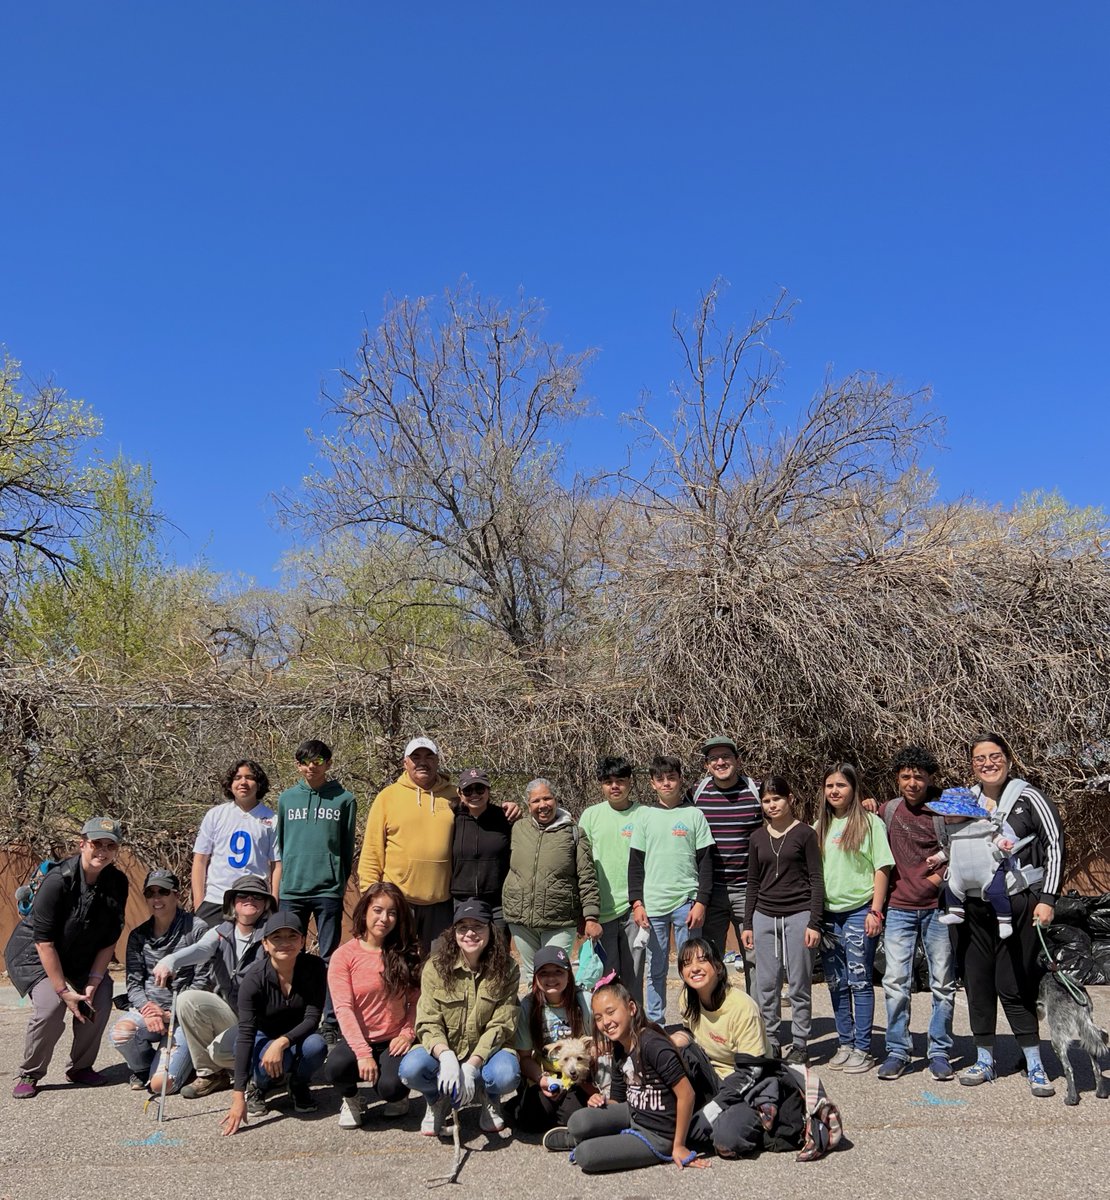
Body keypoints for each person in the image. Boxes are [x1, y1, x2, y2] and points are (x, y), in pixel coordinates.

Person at [953, 732, 1065, 1098]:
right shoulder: (964, 800)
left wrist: (1047, 898)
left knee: (1014, 984)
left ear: (1008, 759)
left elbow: (1054, 845)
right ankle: (984, 1059)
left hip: (1018, 906)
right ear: (972, 765)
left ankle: (1034, 1062)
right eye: (980, 758)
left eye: (994, 756)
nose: (988, 763)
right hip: (973, 909)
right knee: (977, 983)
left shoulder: (1029, 798)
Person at [5, 816, 129, 1099]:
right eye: (97, 843)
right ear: (82, 844)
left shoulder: (117, 882)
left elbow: (110, 938)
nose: (103, 851)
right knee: (51, 1007)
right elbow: (44, 942)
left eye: (110, 846)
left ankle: (80, 1067)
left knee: (100, 997)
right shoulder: (58, 880)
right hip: (36, 954)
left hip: (81, 956)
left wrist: (94, 980)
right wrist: (63, 991)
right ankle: (30, 1072)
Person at [555, 977, 709, 1172]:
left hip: (659, 1133)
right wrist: (601, 1101)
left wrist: (679, 1145)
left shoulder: (653, 1045)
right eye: (598, 1017)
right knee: (578, 1122)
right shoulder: (619, 1047)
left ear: (631, 1008)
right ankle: (583, 1137)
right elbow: (617, 1099)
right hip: (634, 1112)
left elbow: (687, 1094)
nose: (605, 1022)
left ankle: (582, 1142)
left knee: (585, 1155)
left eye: (611, 1012)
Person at [398, 900, 521, 1136]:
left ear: (491, 929)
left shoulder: (507, 968)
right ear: (453, 932)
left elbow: (502, 1024)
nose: (470, 933)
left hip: (488, 1053)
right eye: (463, 927)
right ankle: (437, 1098)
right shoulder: (435, 967)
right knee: (411, 1069)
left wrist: (473, 1065)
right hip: (446, 1047)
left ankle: (489, 1096)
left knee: (506, 1075)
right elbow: (428, 1020)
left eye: (478, 926)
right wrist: (445, 1056)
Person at [152, 873, 276, 1099]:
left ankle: (270, 1069)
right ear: (232, 903)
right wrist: (170, 960)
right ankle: (211, 1074)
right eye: (242, 895)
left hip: (262, 1018)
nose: (250, 899)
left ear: (266, 903)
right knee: (187, 1000)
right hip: (232, 1010)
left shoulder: (273, 933)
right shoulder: (220, 932)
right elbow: (200, 949)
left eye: (257, 896)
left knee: (221, 1051)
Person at [875, 745, 957, 1083]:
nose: (912, 783)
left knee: (943, 984)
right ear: (897, 778)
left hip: (938, 909)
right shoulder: (889, 810)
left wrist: (937, 881)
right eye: (906, 776)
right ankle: (898, 1050)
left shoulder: (944, 812)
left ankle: (939, 1051)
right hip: (898, 908)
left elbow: (963, 847)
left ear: (930, 779)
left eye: (919, 777)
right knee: (895, 983)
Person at [272, 738, 357, 1039]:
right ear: (298, 765)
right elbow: (282, 845)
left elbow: (347, 846)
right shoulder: (286, 799)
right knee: (287, 955)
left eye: (318, 761)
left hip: (328, 890)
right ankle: (290, 1019)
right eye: (305, 762)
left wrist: (338, 881)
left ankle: (330, 1022)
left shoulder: (344, 799)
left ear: (328, 763)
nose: (311, 767)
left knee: (330, 958)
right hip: (292, 890)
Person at [674, 938, 789, 1158]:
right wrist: (675, 1041)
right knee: (677, 1055)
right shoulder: (687, 998)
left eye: (702, 960)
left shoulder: (742, 1007)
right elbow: (691, 1035)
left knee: (727, 1141)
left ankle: (762, 1115)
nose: (694, 968)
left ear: (718, 967)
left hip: (749, 1085)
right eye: (687, 964)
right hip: (713, 1077)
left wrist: (712, 1110)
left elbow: (751, 1072)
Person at [816, 763, 894, 1074]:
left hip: (859, 911)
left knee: (860, 980)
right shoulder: (819, 826)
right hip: (828, 915)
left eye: (841, 785)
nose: (834, 791)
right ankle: (844, 1043)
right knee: (836, 982)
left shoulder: (870, 823)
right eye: (829, 786)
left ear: (853, 788)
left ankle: (863, 1048)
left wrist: (876, 910)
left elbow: (882, 867)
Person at [220, 910, 328, 1134]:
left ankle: (297, 1084)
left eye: (292, 936)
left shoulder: (315, 968)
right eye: (277, 937)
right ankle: (258, 1086)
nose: (285, 943)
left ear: (302, 941)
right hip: (262, 1036)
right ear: (265, 944)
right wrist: (238, 1097)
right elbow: (246, 1034)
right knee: (273, 1056)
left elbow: (312, 1018)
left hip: (297, 1036)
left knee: (317, 1046)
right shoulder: (253, 979)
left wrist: (281, 1042)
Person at [326, 882, 421, 1129]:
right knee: (335, 1067)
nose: (384, 918)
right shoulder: (344, 956)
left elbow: (416, 1002)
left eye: (392, 913)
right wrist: (362, 1053)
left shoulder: (406, 953)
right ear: (365, 911)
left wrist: (407, 1034)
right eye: (378, 910)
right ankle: (351, 1099)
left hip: (393, 1040)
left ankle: (398, 1097)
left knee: (391, 1088)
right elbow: (343, 1009)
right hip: (359, 1038)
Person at [741, 777, 823, 1064]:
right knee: (767, 983)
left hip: (798, 914)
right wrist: (748, 923)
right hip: (764, 916)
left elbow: (816, 879)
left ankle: (800, 1042)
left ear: (790, 798)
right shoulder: (757, 837)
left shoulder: (805, 834)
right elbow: (752, 881)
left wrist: (814, 922)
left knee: (799, 982)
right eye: (766, 800)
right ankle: (772, 1040)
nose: (771, 805)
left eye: (776, 798)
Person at [110, 869, 212, 1094]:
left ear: (176, 895)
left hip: (183, 1015)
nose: (156, 898)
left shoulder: (196, 929)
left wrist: (170, 1014)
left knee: (161, 1086)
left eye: (163, 892)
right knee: (121, 1034)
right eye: (150, 893)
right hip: (150, 1013)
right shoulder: (138, 935)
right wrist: (148, 1009)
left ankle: (176, 1065)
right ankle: (144, 1067)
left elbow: (203, 981)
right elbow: (134, 983)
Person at [629, 755, 714, 1023]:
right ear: (652, 783)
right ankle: (656, 1024)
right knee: (656, 968)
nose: (666, 783)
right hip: (653, 906)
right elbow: (635, 864)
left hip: (686, 904)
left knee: (693, 967)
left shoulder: (694, 815)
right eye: (660, 779)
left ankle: (694, 1020)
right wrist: (637, 903)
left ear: (680, 780)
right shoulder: (644, 816)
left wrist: (701, 902)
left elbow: (706, 862)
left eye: (671, 778)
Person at [358, 736, 456, 954]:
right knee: (397, 961)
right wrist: (370, 895)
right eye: (416, 757)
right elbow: (372, 850)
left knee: (438, 966)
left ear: (437, 761)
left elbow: (481, 815)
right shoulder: (388, 797)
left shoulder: (454, 796)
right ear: (405, 763)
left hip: (441, 904)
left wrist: (508, 811)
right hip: (398, 901)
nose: (423, 762)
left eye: (429, 756)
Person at [502, 779, 602, 982]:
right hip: (521, 921)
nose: (542, 805)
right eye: (536, 801)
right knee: (533, 976)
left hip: (559, 921)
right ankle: (535, 1006)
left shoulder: (574, 833)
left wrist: (591, 917)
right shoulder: (517, 828)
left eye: (547, 798)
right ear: (528, 805)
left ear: (556, 800)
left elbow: (587, 877)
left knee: (556, 974)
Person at [691, 736, 763, 986]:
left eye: (726, 757)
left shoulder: (757, 790)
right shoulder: (696, 793)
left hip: (749, 891)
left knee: (755, 958)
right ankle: (716, 1008)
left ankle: (757, 1010)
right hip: (711, 893)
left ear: (737, 760)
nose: (720, 762)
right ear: (707, 765)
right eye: (714, 758)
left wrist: (863, 803)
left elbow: (784, 810)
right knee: (711, 960)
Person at [508, 945, 596, 1143]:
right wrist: (541, 1079)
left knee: (573, 1117)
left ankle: (565, 1120)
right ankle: (522, 1105)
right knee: (530, 1121)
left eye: (558, 971)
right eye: (544, 973)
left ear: (569, 975)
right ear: (535, 978)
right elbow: (524, 1057)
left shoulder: (585, 1001)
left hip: (579, 1078)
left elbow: (599, 1046)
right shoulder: (529, 1006)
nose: (551, 978)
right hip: (546, 1075)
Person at [578, 755, 646, 1006]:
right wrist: (587, 913)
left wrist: (641, 903)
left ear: (630, 782)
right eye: (608, 782)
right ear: (601, 785)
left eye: (620, 780)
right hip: (601, 911)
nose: (614, 786)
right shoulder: (590, 816)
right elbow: (581, 863)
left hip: (634, 909)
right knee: (606, 978)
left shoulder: (644, 814)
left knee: (634, 976)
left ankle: (636, 1024)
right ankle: (606, 1025)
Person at [191, 759, 279, 927]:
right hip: (216, 900)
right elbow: (200, 860)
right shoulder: (215, 815)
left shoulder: (272, 820)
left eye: (249, 777)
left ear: (259, 783)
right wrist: (199, 903)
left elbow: (277, 865)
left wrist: (272, 904)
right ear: (230, 784)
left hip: (253, 902)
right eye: (237, 778)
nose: (243, 782)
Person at [926, 787, 1019, 936]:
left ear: (967, 813)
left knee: (997, 891)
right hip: (961, 874)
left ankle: (1004, 920)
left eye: (952, 814)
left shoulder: (983, 825)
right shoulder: (951, 832)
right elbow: (948, 851)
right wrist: (937, 858)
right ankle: (956, 912)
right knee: (950, 887)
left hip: (988, 870)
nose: (947, 818)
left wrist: (1003, 843)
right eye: (945, 814)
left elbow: (995, 837)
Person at [450, 767, 512, 936]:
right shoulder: (452, 818)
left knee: (499, 948)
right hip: (461, 900)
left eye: (479, 789)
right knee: (466, 946)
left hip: (497, 902)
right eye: (468, 790)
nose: (474, 794)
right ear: (459, 793)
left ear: (488, 790)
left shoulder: (504, 818)